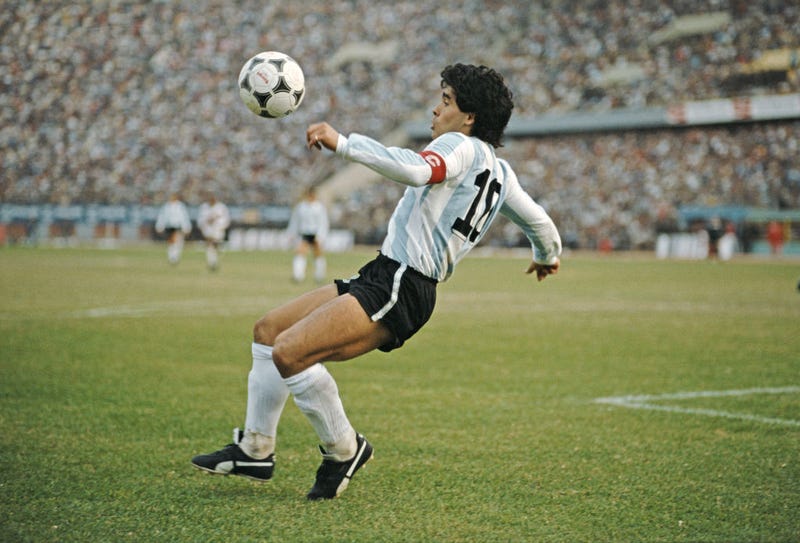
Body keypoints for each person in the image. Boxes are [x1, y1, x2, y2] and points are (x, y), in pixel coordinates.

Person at [191, 64, 562, 500]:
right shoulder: (502, 174)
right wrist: (547, 256)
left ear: (469, 117)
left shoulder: (458, 146)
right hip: (385, 273)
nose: (435, 108)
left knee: (291, 352)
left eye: (445, 100)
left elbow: (420, 171)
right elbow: (540, 222)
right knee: (269, 331)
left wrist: (345, 144)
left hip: (403, 284)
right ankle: (254, 448)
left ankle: (343, 449)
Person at [287, 187, 329, 282]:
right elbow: (295, 221)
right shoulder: (301, 206)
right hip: (304, 233)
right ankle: (298, 275)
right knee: (300, 253)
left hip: (315, 234)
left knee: (318, 254)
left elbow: (323, 223)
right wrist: (291, 233)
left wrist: (321, 236)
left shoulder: (319, 207)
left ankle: (319, 276)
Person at [155, 193, 192, 265]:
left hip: (178, 226)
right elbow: (162, 217)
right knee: (171, 242)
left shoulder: (180, 206)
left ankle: (175, 256)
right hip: (170, 226)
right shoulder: (166, 206)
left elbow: (184, 217)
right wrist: (159, 226)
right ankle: (172, 257)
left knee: (178, 242)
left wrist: (186, 227)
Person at [198, 193, 231, 271]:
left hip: (218, 231)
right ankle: (212, 263)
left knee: (216, 247)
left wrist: (221, 226)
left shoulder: (221, 207)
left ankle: (214, 261)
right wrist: (204, 226)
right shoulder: (204, 207)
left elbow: (226, 219)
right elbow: (200, 219)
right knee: (210, 246)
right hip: (208, 231)